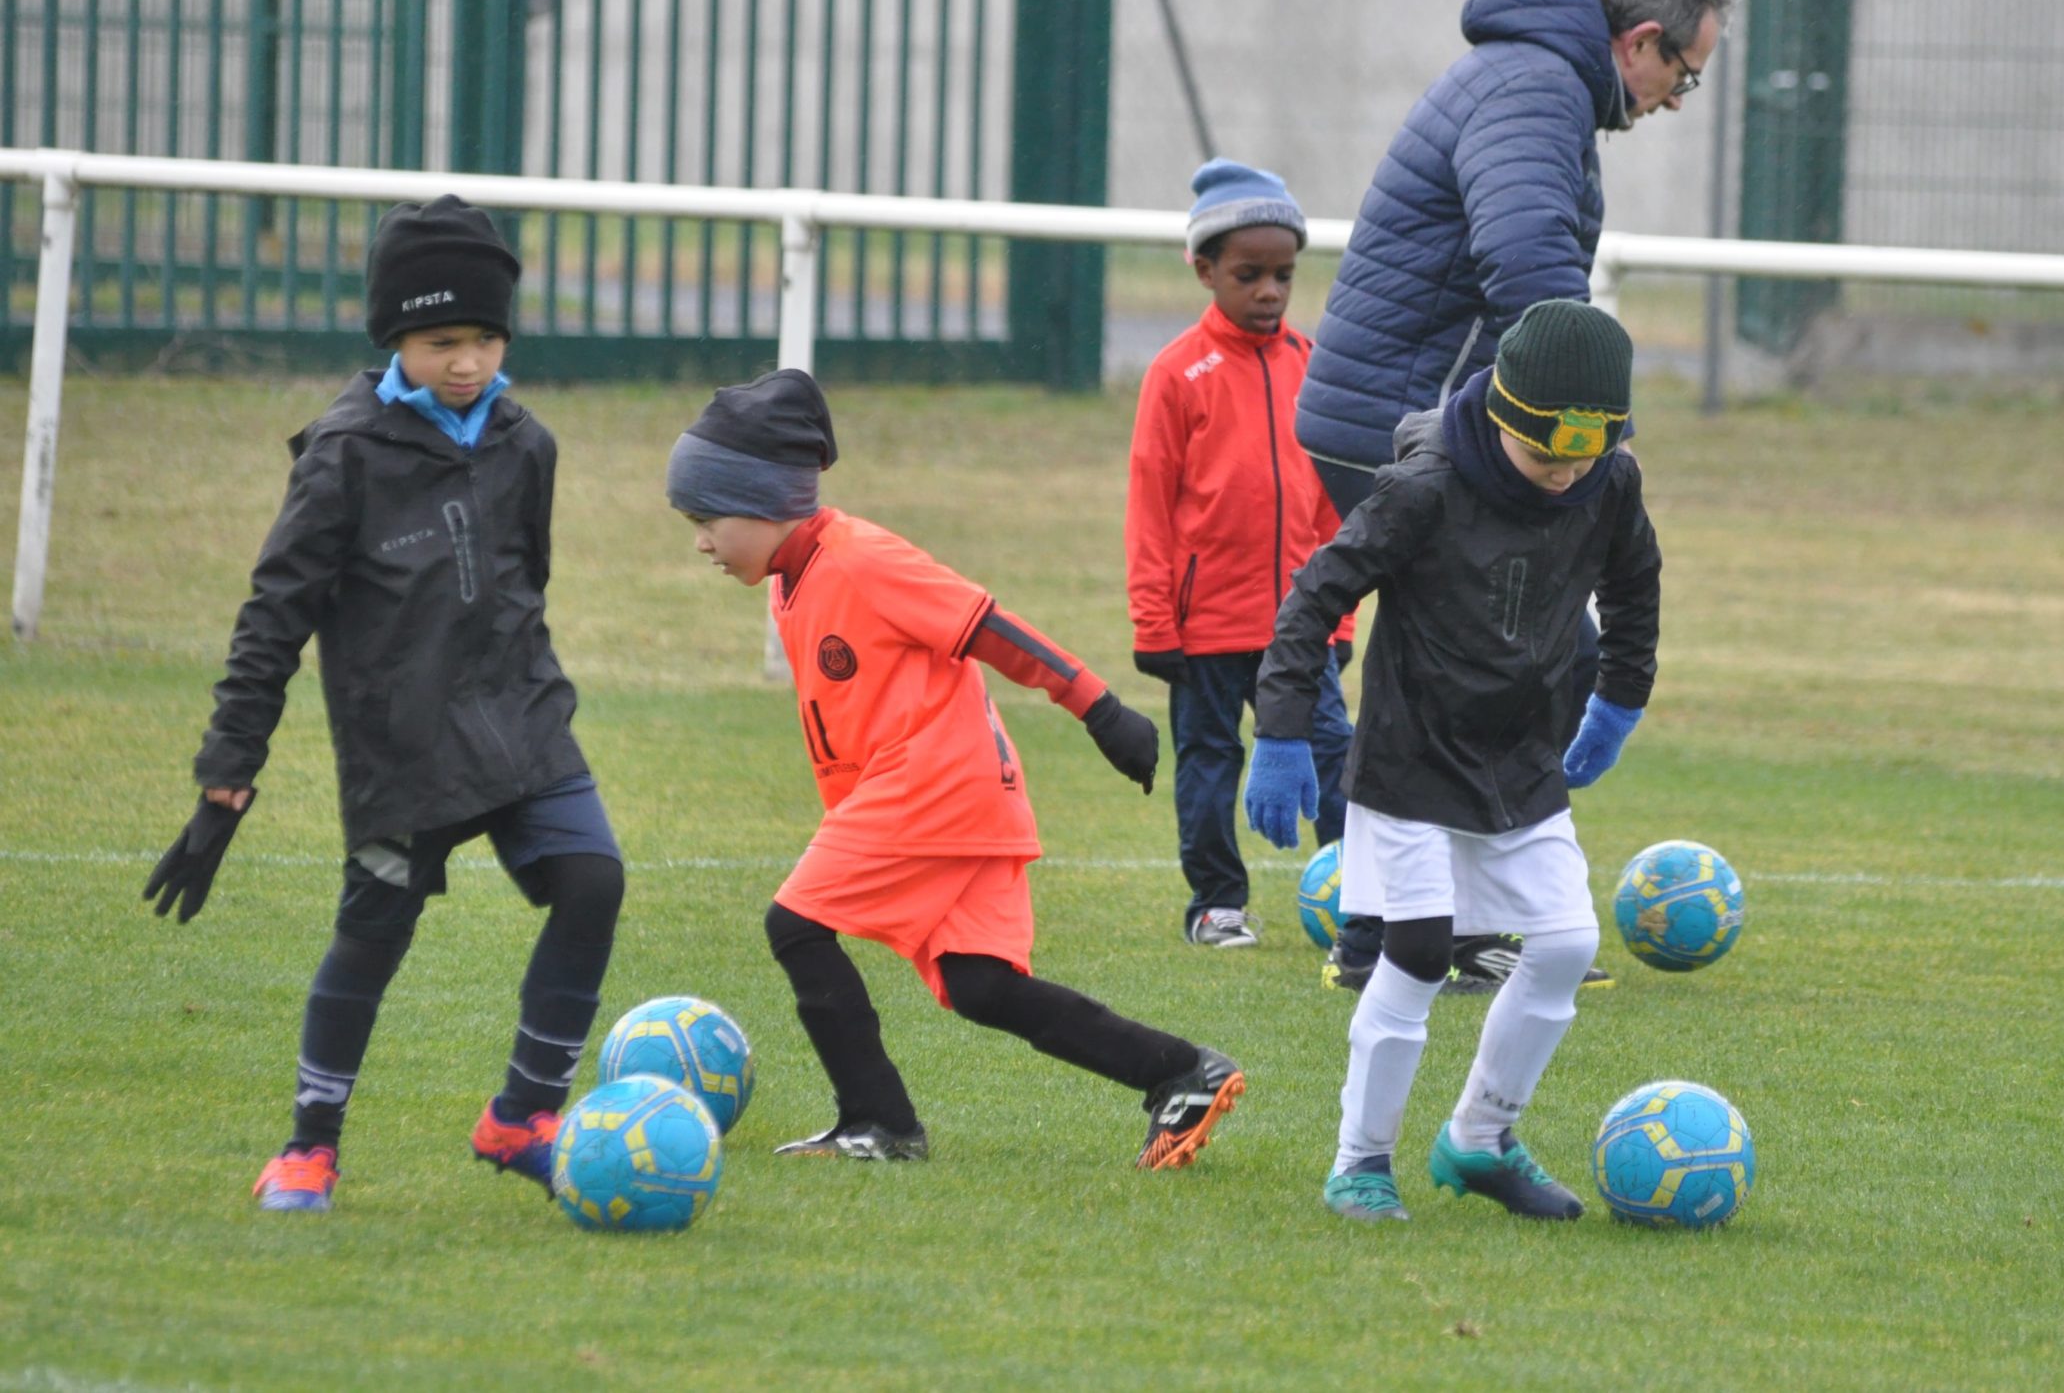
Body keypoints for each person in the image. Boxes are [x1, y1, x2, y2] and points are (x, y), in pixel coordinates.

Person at [157, 196, 626, 1214]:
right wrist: (228, 768)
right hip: (402, 749)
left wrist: (528, 688)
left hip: (524, 722)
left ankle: (523, 1117)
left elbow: (525, 582)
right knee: (373, 936)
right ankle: (308, 1146)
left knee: (594, 879)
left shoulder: (527, 442)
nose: (467, 361)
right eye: (441, 341)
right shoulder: (344, 455)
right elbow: (273, 616)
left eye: (485, 337)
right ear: (394, 338)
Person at [667, 370, 1246, 1168]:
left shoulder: (861, 559)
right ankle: (1180, 1073)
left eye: (707, 519)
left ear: (763, 501)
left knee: (794, 924)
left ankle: (879, 1120)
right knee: (981, 986)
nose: (701, 541)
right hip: (955, 794)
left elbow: (992, 628)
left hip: (932, 787)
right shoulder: (790, 584)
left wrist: (1099, 708)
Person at [1292, 0, 1727, 994]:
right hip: (1412, 423)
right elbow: (1527, 260)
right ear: (1641, 41)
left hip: (1397, 411)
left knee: (1499, 665)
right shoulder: (1538, 87)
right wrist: (1590, 433)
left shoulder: (1535, 76)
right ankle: (1404, 933)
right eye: (1684, 74)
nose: (1677, 100)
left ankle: (1413, 929)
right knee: (1512, 666)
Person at [1245, 301, 1661, 1222]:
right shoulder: (1424, 488)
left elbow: (1634, 589)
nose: (1566, 474)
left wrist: (1620, 700)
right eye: (1547, 454)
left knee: (1566, 946)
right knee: (1421, 951)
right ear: (1506, 417)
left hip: (1521, 759)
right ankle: (1360, 1162)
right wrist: (1280, 732)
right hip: (1411, 757)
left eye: (1586, 454)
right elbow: (1314, 598)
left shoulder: (1609, 480)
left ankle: (1479, 1139)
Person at [1126, 159, 1355, 949]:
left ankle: (1360, 896)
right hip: (1205, 629)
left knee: (1336, 756)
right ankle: (1216, 904)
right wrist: (1154, 622)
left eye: (1283, 275)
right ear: (1205, 270)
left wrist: (1340, 616)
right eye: (1248, 275)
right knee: (1209, 761)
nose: (1268, 291)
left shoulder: (1312, 365)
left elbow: (1334, 510)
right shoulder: (1174, 375)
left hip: (1300, 627)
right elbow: (1150, 509)